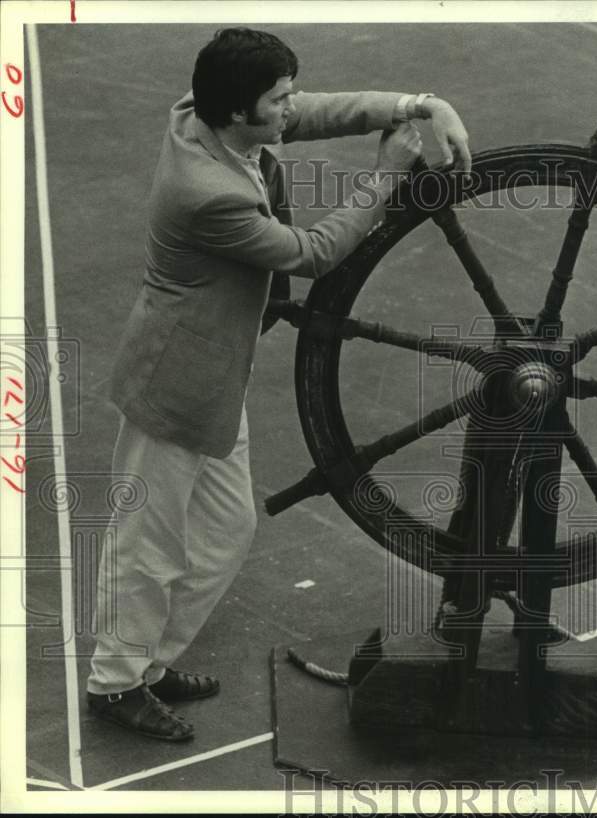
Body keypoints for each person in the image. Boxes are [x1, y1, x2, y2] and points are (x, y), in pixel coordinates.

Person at [86, 27, 472, 741]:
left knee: (227, 531)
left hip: (213, 376)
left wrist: (421, 103)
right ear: (240, 113)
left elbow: (315, 111)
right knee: (148, 546)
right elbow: (312, 254)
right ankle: (115, 685)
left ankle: (147, 663)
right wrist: (387, 172)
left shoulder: (203, 115)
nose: (291, 109)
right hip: (177, 386)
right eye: (278, 100)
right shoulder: (206, 193)